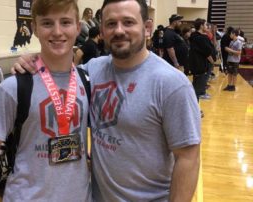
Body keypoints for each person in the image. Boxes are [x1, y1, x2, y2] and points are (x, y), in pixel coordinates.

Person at [12, 0, 201, 201]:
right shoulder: (92, 70)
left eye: (128, 22)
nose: (119, 30)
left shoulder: (172, 84)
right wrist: (32, 59)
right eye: (111, 24)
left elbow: (188, 158)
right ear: (102, 30)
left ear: (147, 28)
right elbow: (57, 71)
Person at [0, 0, 92, 201]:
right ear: (34, 28)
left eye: (65, 22)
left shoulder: (88, 79)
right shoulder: (14, 86)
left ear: (78, 27)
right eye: (47, 23)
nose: (57, 31)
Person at [189, 18, 215, 102]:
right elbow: (207, 53)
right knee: (197, 90)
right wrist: (212, 62)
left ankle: (194, 109)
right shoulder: (201, 38)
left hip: (196, 65)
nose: (207, 26)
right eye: (205, 24)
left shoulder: (195, 36)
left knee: (196, 87)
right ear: (201, 26)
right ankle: (195, 111)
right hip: (200, 66)